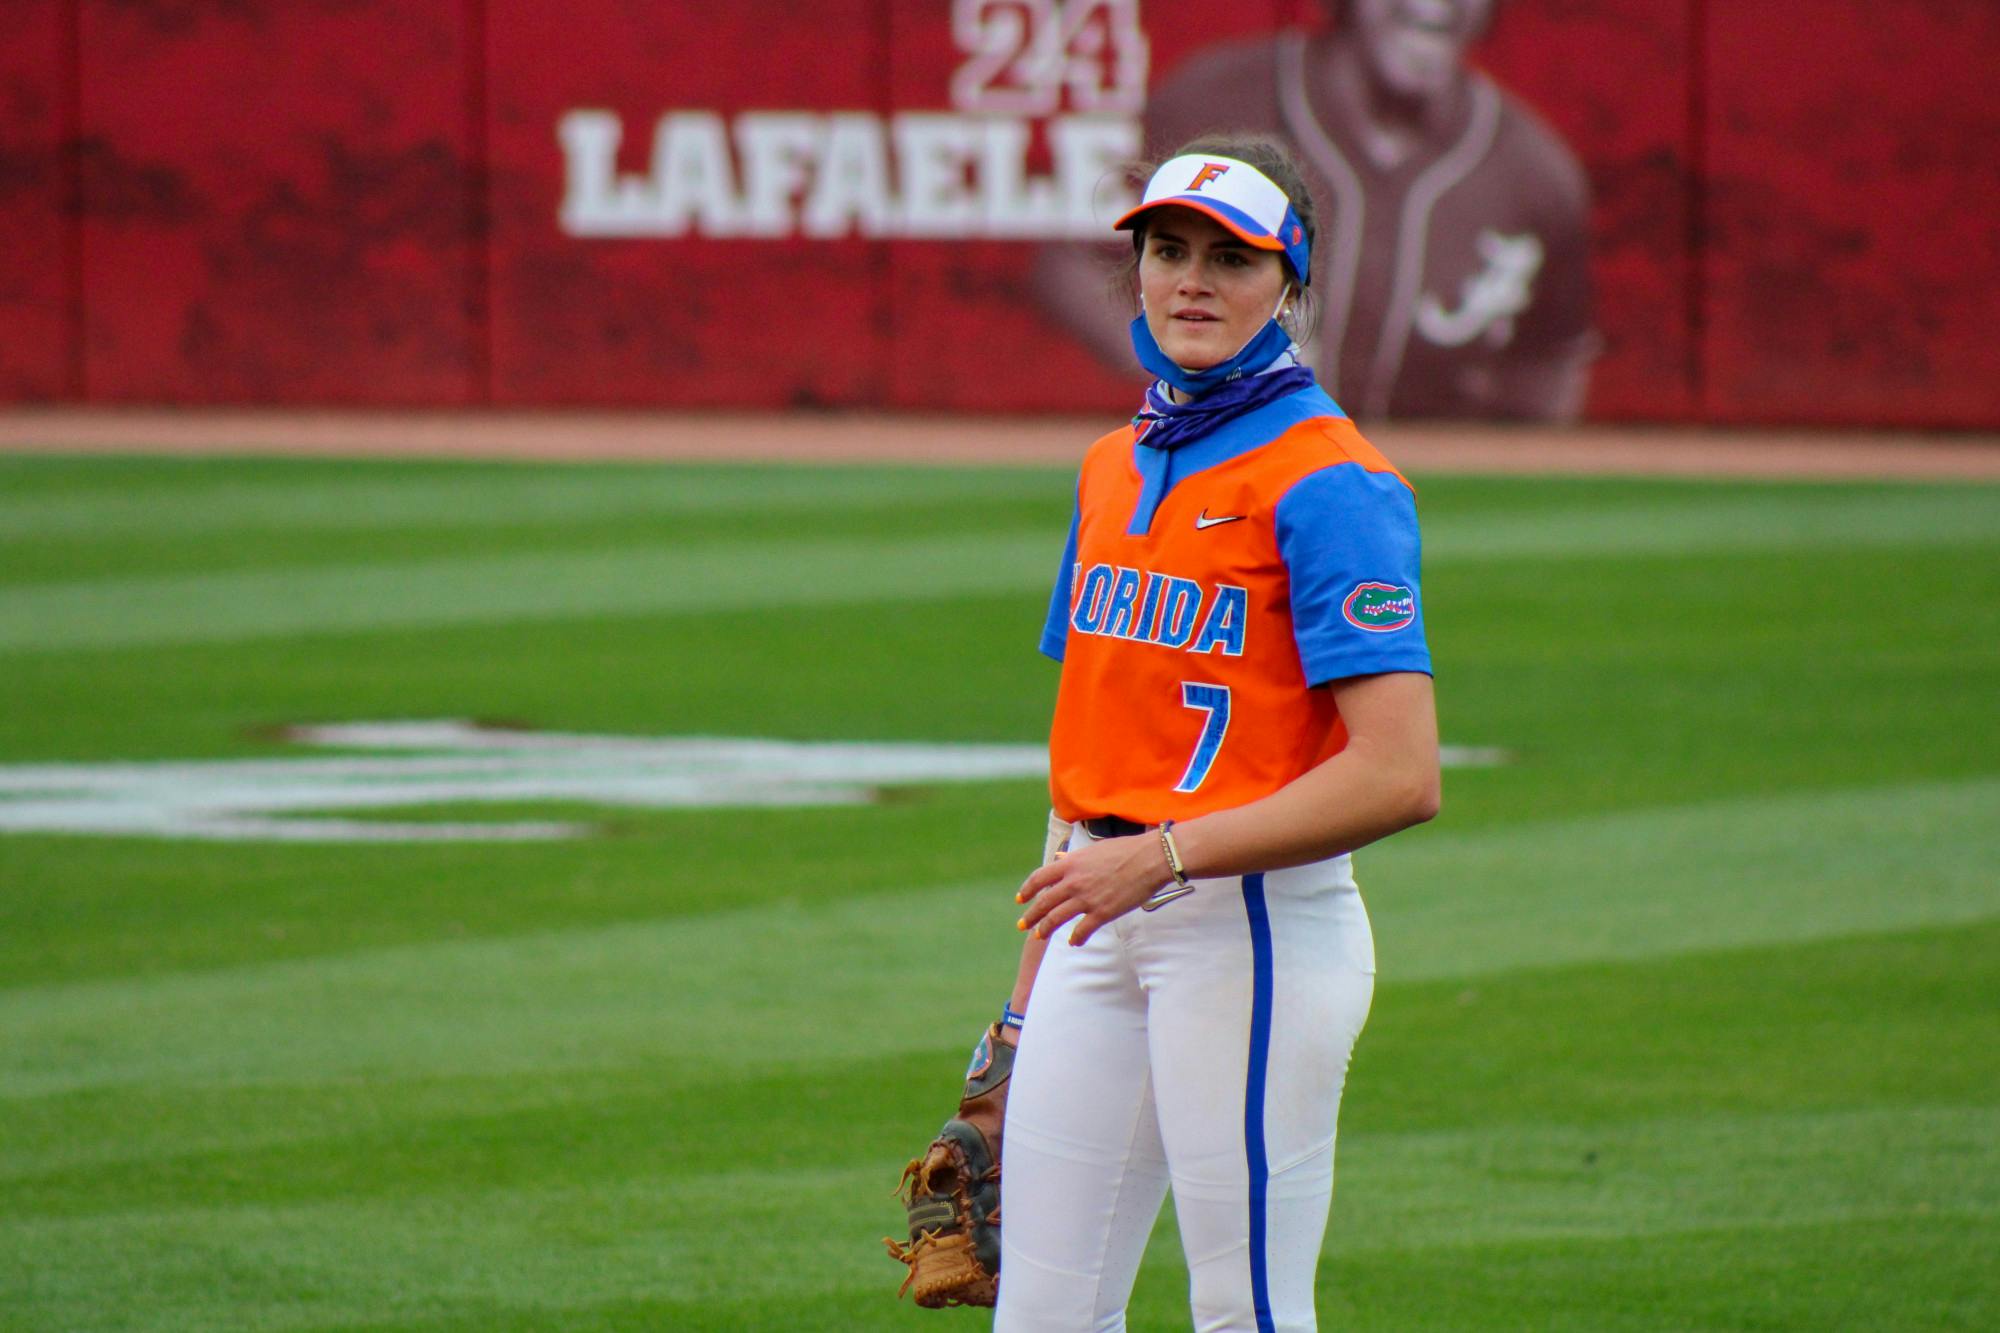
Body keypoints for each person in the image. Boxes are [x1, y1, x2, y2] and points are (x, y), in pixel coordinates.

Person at [995, 137, 1440, 1331]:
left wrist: (1165, 854)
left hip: (1248, 930)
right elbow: (1089, 756)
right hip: (1097, 917)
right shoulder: (1110, 464)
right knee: (1038, 1313)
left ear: (1288, 285)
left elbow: (1400, 775)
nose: (1190, 280)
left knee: (1243, 1307)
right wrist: (1019, 1008)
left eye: (1230, 259)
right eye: (1166, 250)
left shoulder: (1329, 479)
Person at [1035, 0, 1596, 422]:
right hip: (1222, 448)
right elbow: (1070, 265)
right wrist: (1196, 364)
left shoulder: (1538, 174)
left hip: (1431, 487)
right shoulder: (1214, 98)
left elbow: (1551, 368)